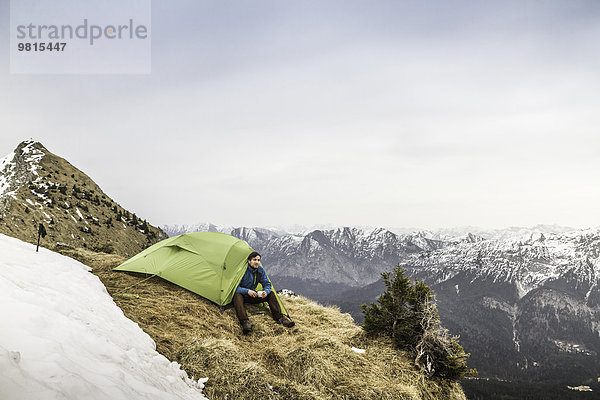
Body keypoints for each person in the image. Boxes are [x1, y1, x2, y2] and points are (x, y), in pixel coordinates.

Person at [234, 251, 295, 334]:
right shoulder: (243, 270)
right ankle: (245, 322)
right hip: (243, 295)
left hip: (253, 295)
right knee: (237, 296)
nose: (257, 262)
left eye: (258, 260)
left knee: (271, 294)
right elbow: (235, 288)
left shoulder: (260, 270)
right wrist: (247, 291)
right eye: (254, 260)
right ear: (249, 261)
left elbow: (267, 284)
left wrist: (265, 292)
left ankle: (280, 318)